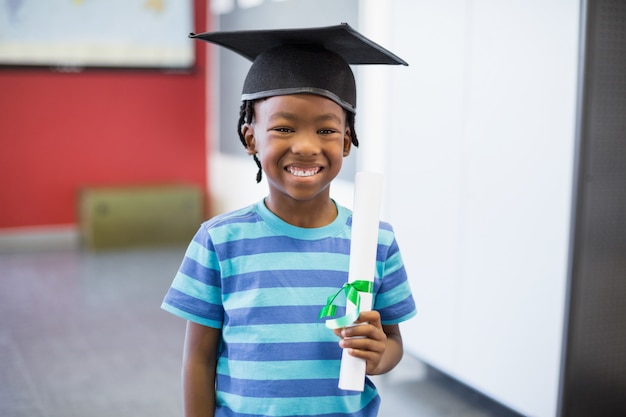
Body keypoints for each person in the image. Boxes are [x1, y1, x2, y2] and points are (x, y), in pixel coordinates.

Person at [162, 23, 417, 417]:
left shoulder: (377, 242)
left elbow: (393, 343)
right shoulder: (220, 241)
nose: (305, 145)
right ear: (251, 138)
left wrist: (379, 355)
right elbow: (198, 360)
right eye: (283, 128)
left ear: (347, 141)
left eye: (326, 129)